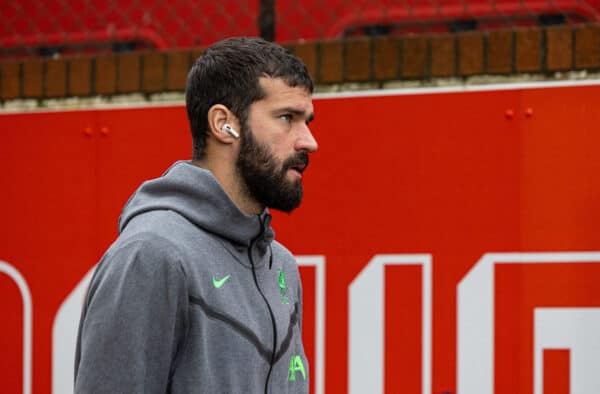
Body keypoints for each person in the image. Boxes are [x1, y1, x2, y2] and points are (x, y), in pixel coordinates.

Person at [74, 37, 318, 394]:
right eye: (287, 118)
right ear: (224, 124)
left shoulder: (281, 267)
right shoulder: (151, 255)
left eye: (307, 121)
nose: (309, 141)